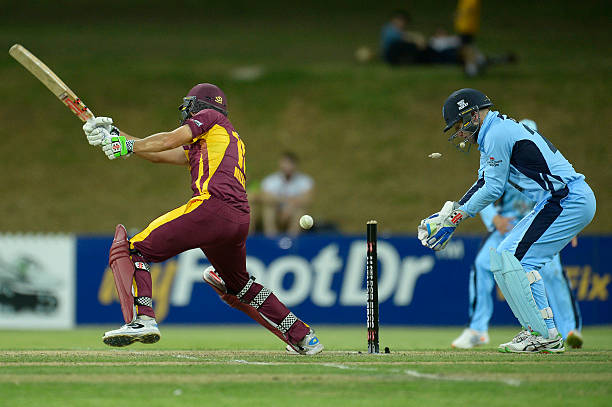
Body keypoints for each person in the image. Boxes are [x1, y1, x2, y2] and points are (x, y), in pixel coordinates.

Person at [82, 83, 323, 355]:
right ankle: (304, 336)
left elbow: (168, 140)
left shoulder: (211, 118)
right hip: (238, 218)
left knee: (132, 249)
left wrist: (127, 144)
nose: (185, 112)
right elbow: (160, 154)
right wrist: (115, 135)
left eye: (189, 106)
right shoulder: (220, 138)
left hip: (212, 207)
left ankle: (144, 319)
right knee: (240, 286)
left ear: (202, 106)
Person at [418, 89, 596, 353]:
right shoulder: (494, 132)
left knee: (517, 259)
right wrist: (452, 212)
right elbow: (483, 182)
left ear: (472, 115)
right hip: (557, 200)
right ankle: (536, 331)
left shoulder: (496, 134)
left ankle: (545, 333)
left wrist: (454, 218)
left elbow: (492, 188)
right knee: (503, 256)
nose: (459, 132)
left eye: (458, 124)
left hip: (567, 198)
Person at [451, 120, 583, 350]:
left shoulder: (538, 162)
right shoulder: (502, 158)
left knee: (553, 274)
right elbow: (486, 189)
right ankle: (477, 329)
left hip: (544, 220)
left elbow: (557, 193)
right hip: (508, 225)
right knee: (483, 264)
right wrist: (493, 219)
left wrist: (568, 226)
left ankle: (568, 329)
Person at [261, 151, 314, 237]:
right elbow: (265, 197)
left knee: (300, 211)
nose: (287, 166)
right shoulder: (270, 181)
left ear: (295, 165)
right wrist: (284, 203)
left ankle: (292, 239)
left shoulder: (305, 181)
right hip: (277, 212)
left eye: (290, 163)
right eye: (285, 163)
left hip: (294, 213)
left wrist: (291, 206)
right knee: (268, 209)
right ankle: (271, 238)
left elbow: (308, 198)